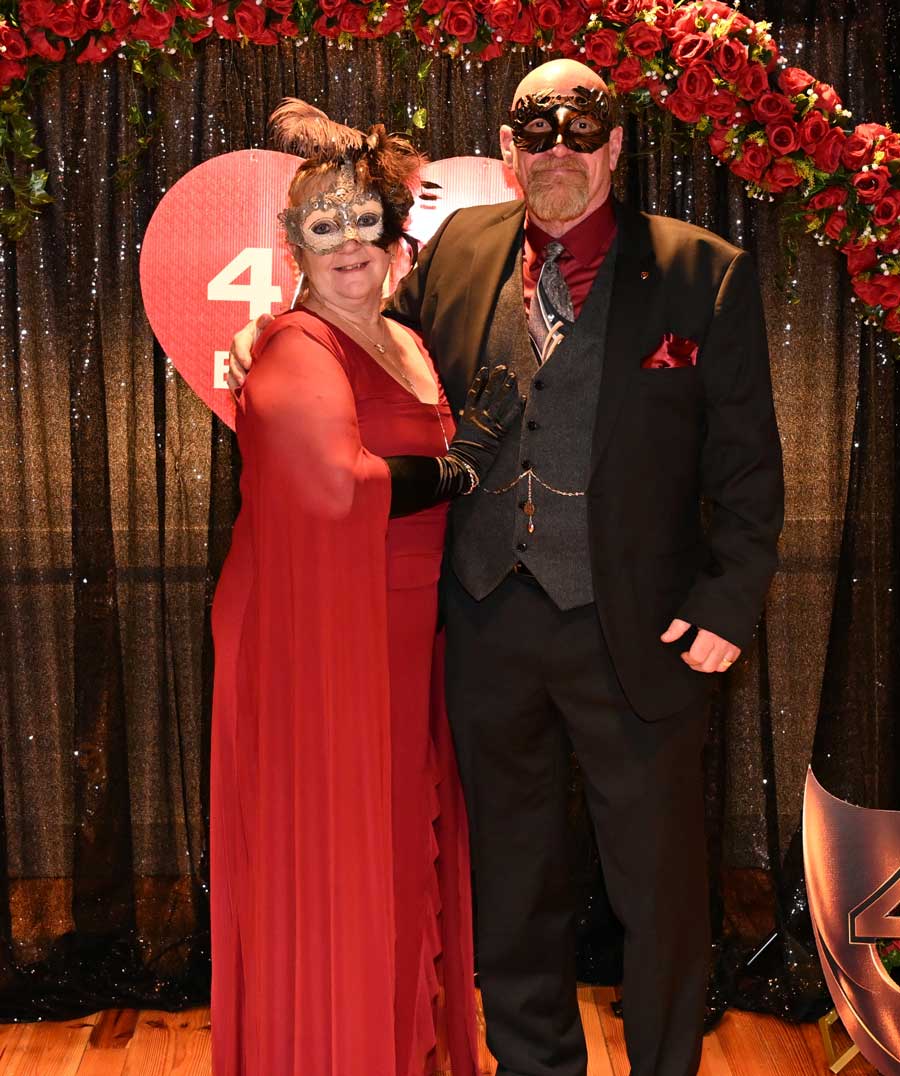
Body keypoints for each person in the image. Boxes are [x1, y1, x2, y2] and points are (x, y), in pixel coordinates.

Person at [229, 61, 784, 1076]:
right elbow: (366, 345)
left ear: (615, 146)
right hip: (486, 624)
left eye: (583, 131)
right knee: (513, 884)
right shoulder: (458, 251)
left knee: (658, 888)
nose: (559, 151)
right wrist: (263, 339)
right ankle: (535, 1065)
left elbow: (749, 466)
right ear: (507, 151)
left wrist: (727, 602)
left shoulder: (704, 273)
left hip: (638, 631)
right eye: (538, 133)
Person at [210, 99, 519, 1076]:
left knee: (393, 859)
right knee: (340, 866)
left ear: (393, 237)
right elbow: (334, 486)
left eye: (364, 220)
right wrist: (457, 469)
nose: (347, 242)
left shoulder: (406, 339)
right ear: (295, 244)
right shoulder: (296, 346)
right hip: (322, 649)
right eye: (323, 223)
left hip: (405, 640)